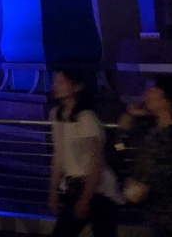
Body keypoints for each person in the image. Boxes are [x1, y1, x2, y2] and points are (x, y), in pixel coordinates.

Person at [48, 70, 121, 237]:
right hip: (76, 187)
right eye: (56, 82)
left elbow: (96, 160)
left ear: (77, 87)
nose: (56, 86)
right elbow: (58, 156)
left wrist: (85, 198)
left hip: (97, 190)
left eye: (62, 82)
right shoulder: (57, 115)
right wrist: (53, 191)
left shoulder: (86, 117)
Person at [119, 75, 172, 237]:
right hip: (162, 216)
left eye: (152, 90)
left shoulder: (169, 138)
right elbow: (121, 149)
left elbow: (155, 176)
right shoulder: (154, 130)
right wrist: (125, 126)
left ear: (166, 100)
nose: (146, 93)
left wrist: (136, 187)